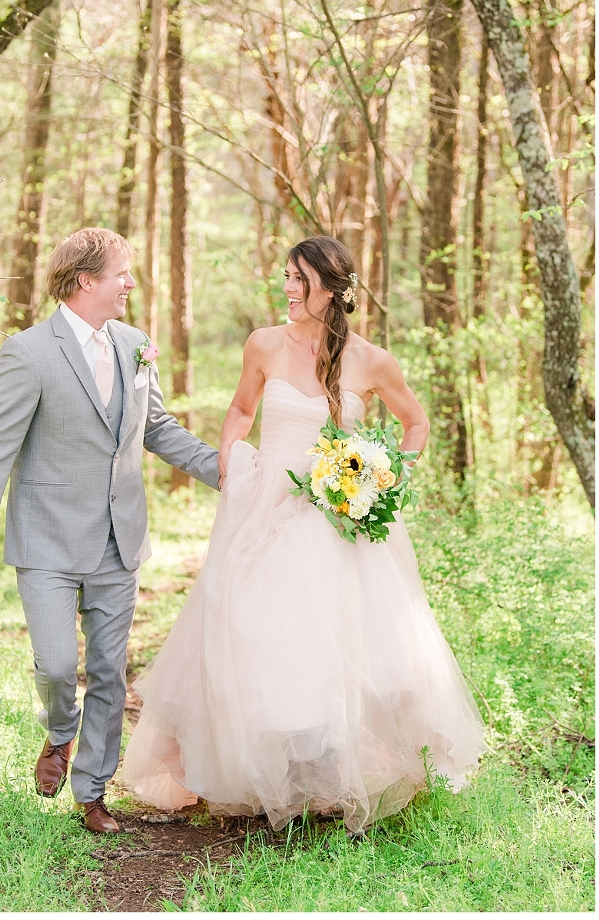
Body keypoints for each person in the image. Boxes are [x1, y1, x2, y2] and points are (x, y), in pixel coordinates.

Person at [121, 235, 484, 831]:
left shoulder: (372, 361)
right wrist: (230, 456)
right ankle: (273, 773)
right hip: (269, 509)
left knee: (338, 643)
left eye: (298, 279)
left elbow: (414, 423)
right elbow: (241, 409)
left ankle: (332, 776)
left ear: (331, 289)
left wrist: (388, 477)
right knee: (255, 626)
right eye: (286, 277)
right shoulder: (263, 344)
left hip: (341, 521)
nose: (287, 289)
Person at [0, 227, 220, 834]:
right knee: (55, 666)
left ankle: (92, 793)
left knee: (108, 670)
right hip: (46, 539)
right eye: (121, 274)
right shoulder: (29, 352)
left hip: (118, 539)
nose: (131, 284)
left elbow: (158, 430)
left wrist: (226, 469)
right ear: (84, 281)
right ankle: (59, 733)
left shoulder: (135, 345)